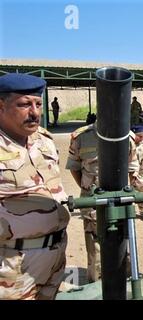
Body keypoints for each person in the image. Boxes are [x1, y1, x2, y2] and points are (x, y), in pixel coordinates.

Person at [0, 73, 70, 299]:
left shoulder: (45, 140)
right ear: (1, 106)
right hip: (13, 265)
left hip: (55, 257)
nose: (35, 112)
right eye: (24, 104)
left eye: (38, 104)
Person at [65, 122, 139, 283]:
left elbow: (133, 170)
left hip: (121, 203)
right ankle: (96, 285)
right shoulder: (81, 137)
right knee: (96, 250)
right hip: (92, 205)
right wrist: (88, 190)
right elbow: (74, 167)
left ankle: (124, 286)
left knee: (124, 247)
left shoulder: (126, 137)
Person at [130, 125, 143, 219]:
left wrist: (132, 180)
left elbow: (134, 166)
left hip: (140, 177)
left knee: (139, 197)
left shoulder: (137, 149)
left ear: (140, 136)